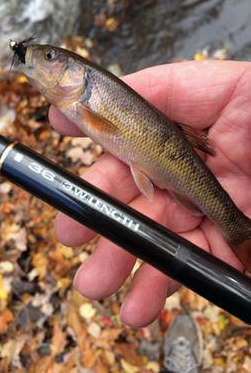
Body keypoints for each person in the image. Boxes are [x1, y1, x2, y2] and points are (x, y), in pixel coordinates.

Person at [49, 61, 251, 370]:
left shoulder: (86, 96)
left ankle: (237, 229)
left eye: (51, 58)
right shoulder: (76, 98)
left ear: (80, 76)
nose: (45, 62)